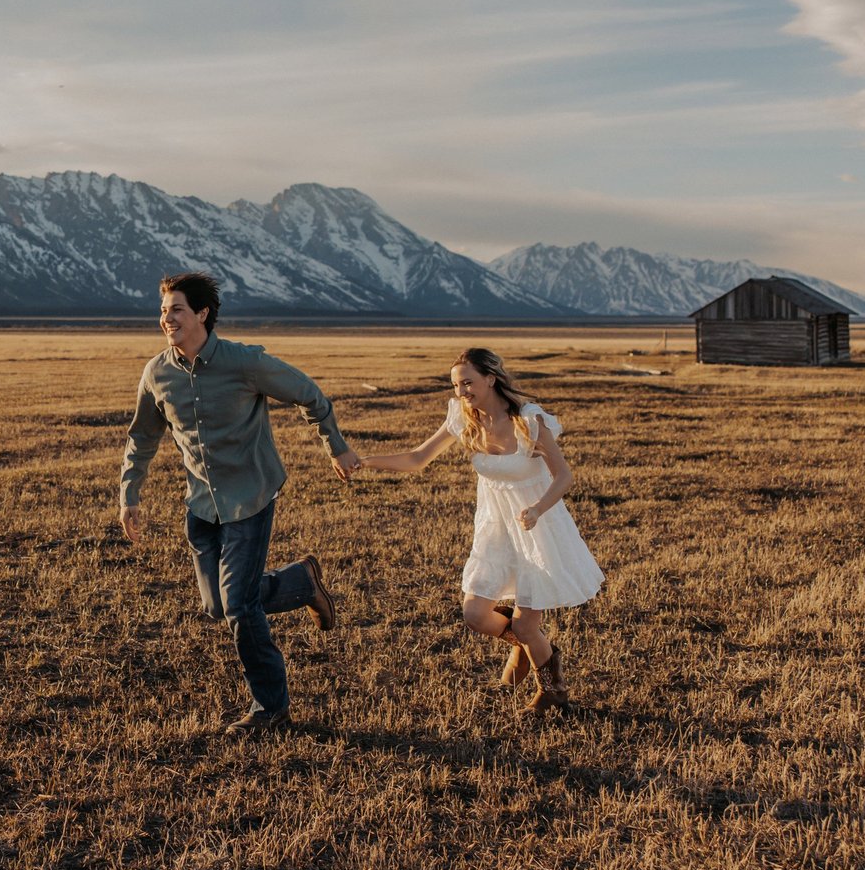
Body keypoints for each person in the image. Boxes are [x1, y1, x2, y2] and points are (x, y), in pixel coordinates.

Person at [119, 272, 362, 736]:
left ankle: (270, 707)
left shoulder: (245, 363)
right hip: (201, 504)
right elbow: (142, 437)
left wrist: (336, 445)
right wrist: (130, 494)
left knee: (240, 607)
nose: (167, 318)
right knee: (218, 605)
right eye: (163, 311)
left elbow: (308, 393)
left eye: (176, 310)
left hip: (250, 497)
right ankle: (301, 582)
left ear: (202, 313)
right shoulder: (157, 373)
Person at [355, 347, 603, 710]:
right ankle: (526, 644)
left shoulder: (529, 420)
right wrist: (365, 462)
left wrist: (537, 509)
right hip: (495, 529)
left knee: (527, 624)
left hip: (537, 528)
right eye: (456, 385)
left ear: (491, 378)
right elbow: (418, 458)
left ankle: (553, 693)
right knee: (475, 615)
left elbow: (564, 476)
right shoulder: (463, 418)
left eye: (468, 383)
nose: (461, 392)